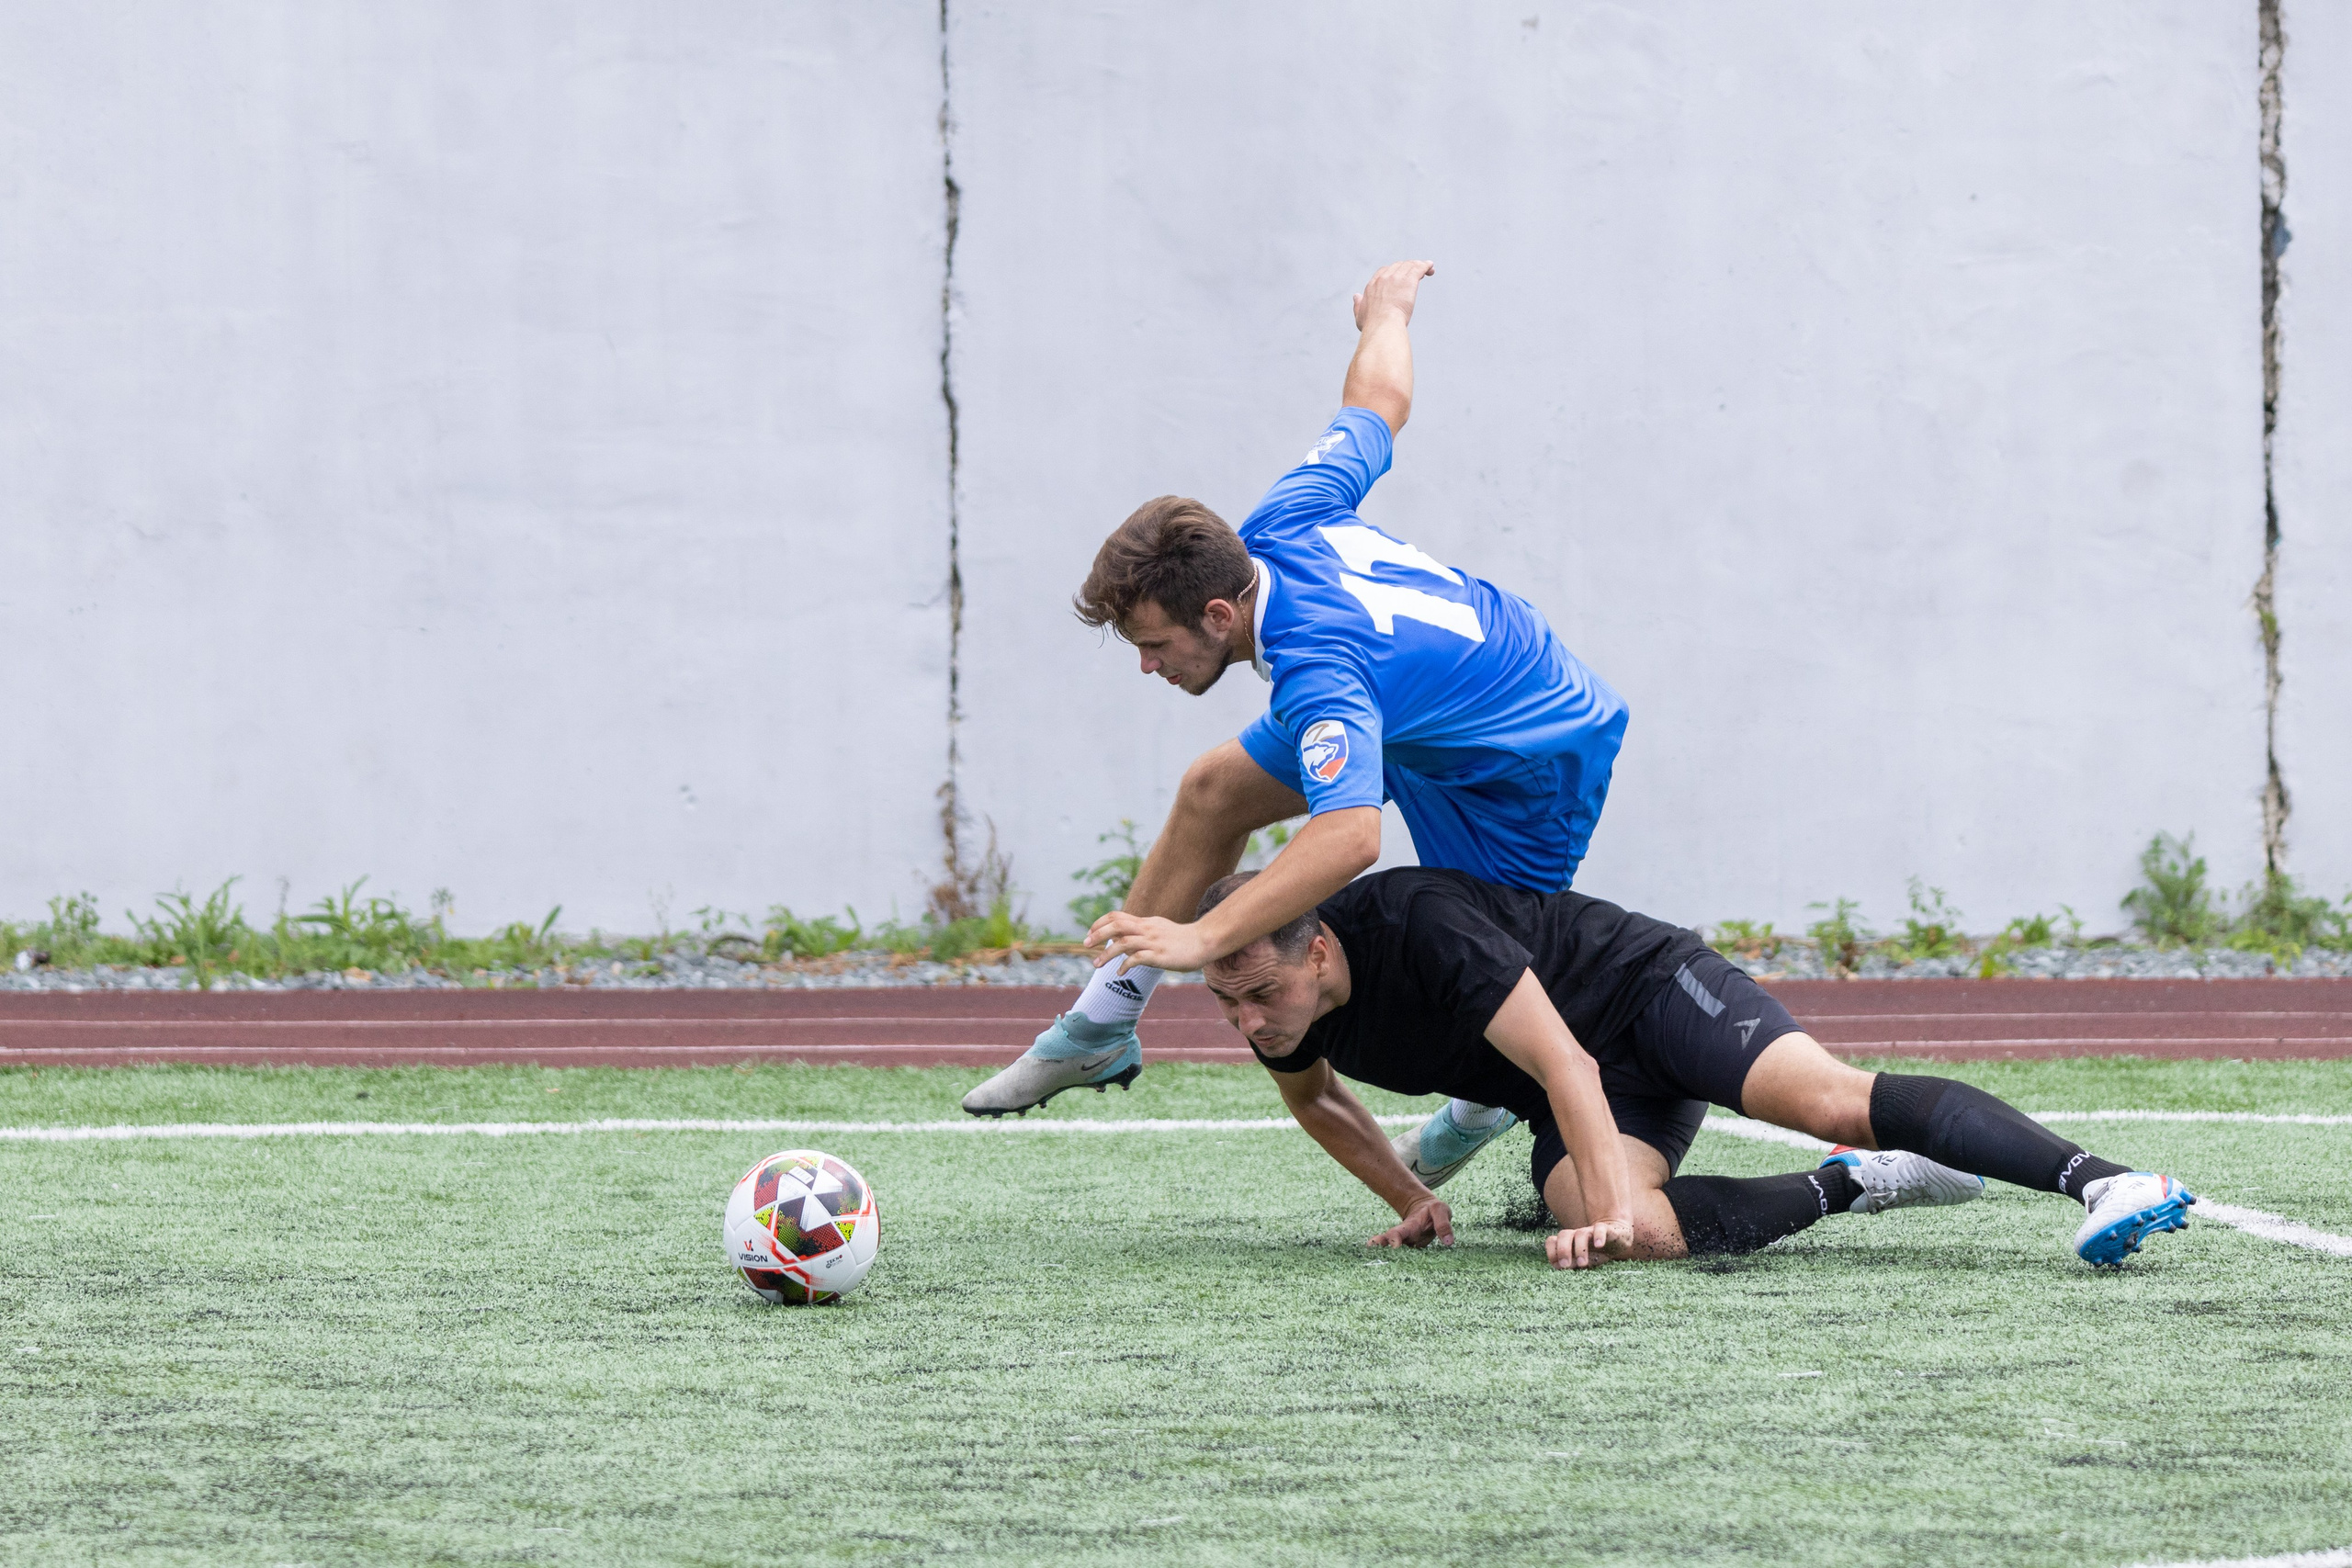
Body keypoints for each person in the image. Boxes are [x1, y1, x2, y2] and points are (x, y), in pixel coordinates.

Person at [963, 260, 1628, 1195]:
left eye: (1154, 645)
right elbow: (1379, 401)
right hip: (1426, 705)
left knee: (1478, 953)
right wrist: (1387, 314)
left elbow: (1350, 837)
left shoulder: (1319, 673)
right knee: (1213, 790)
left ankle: (1483, 1101)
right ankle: (1102, 1022)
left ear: (1221, 617)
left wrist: (1204, 938)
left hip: (1529, 750)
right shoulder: (1279, 520)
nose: (1148, 668)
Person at [1196, 866, 2198, 1269]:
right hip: (1586, 1081)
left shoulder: (1419, 929)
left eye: (1258, 996)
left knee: (1824, 1097)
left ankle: (2105, 1181)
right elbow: (1318, 1101)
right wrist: (1413, 1196)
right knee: (1640, 1240)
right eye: (1224, 1004)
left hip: (1649, 993)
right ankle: (1853, 1185)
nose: (1245, 1024)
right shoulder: (1291, 1012)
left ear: (1318, 949)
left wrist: (1588, 1208)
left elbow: (1564, 1065)